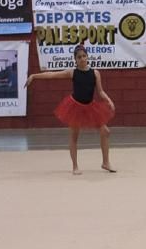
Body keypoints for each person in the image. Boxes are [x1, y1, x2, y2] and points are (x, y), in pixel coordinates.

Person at [25, 43, 115, 175]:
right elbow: (52, 75)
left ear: (87, 57)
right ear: (75, 59)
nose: (82, 59)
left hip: (90, 107)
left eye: (84, 56)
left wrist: (109, 100)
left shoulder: (95, 73)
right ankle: (75, 166)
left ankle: (105, 162)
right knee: (74, 136)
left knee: (106, 132)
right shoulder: (72, 72)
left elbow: (100, 91)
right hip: (75, 107)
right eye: (79, 57)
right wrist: (34, 76)